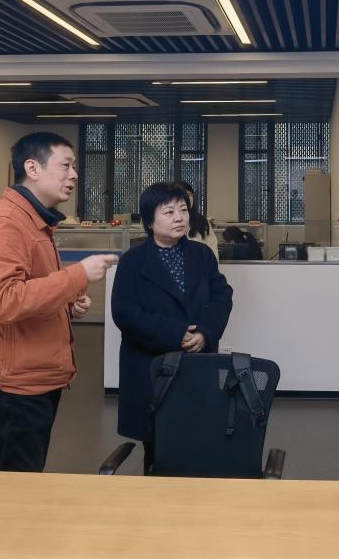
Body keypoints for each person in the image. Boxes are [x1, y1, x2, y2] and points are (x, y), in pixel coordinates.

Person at [0, 132, 118, 472]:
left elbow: (31, 290)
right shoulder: (6, 223)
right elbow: (6, 302)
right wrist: (77, 276)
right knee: (13, 490)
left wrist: (66, 304)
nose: (74, 175)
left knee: (25, 486)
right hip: (14, 387)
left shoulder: (33, 220)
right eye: (66, 165)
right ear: (33, 168)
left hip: (34, 378)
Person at [112, 181, 233, 472]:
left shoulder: (201, 255)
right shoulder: (132, 261)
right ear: (149, 222)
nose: (179, 218)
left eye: (183, 210)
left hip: (196, 362)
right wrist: (176, 333)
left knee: (198, 439)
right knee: (157, 446)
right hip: (150, 365)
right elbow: (125, 313)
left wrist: (204, 331)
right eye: (168, 212)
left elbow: (221, 296)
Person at [173, 178, 218, 260]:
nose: (186, 198)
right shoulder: (167, 222)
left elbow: (213, 253)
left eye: (189, 195)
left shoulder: (203, 222)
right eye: (181, 195)